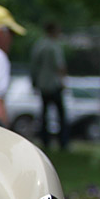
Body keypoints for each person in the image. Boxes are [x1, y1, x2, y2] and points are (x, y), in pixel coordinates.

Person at [29, 21, 69, 149]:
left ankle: (45, 140)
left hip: (42, 84)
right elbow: (60, 66)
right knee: (61, 115)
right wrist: (64, 80)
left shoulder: (39, 45)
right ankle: (63, 142)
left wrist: (34, 82)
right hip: (54, 83)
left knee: (44, 114)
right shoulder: (54, 46)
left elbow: (34, 67)